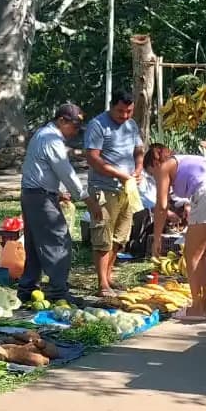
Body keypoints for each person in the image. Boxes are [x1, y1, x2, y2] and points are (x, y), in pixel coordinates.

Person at [145, 143, 206, 322]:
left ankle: (196, 308)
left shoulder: (164, 166)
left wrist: (156, 239)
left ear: (154, 164)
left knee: (191, 254)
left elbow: (161, 207)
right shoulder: (189, 159)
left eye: (151, 174)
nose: (155, 178)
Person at [18, 103, 86, 304]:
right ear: (62, 120)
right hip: (39, 197)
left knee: (35, 243)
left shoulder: (43, 135)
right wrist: (84, 196)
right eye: (73, 127)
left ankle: (27, 288)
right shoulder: (50, 139)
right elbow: (65, 171)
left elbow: (43, 171)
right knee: (58, 240)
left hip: (33, 194)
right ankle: (58, 291)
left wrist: (58, 192)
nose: (74, 132)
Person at [84, 91, 144, 296]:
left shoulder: (132, 125)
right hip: (103, 189)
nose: (125, 116)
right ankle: (102, 284)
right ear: (111, 106)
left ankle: (109, 277)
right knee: (103, 237)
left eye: (129, 111)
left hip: (126, 189)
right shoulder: (98, 125)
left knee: (119, 237)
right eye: (120, 111)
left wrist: (138, 170)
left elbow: (138, 151)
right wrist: (119, 174)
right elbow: (92, 158)